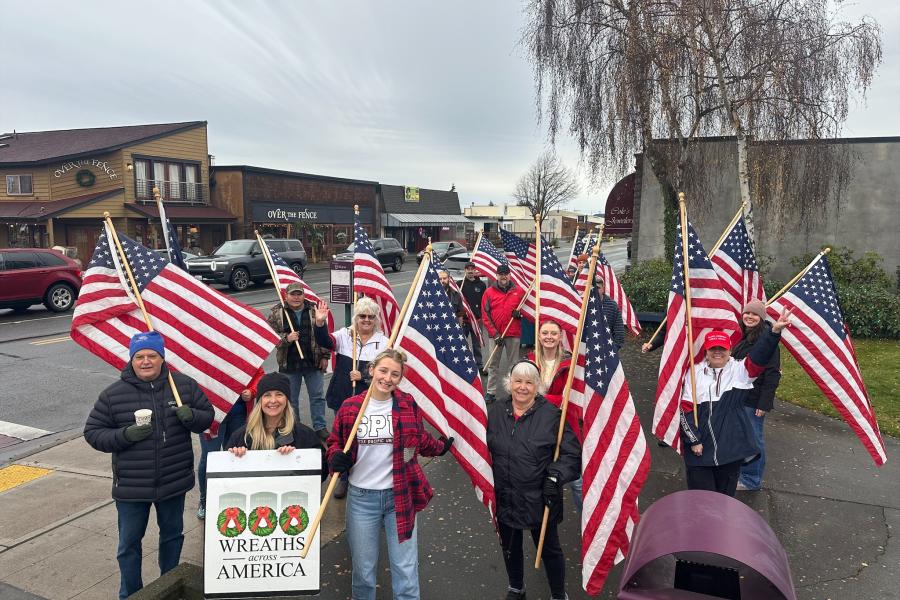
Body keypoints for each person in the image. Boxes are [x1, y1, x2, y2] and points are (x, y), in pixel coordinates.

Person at [84, 331, 214, 600]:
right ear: (131, 359)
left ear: (162, 358)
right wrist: (124, 435)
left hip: (173, 481)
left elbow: (207, 418)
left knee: (172, 537)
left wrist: (192, 418)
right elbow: (93, 433)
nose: (145, 361)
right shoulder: (113, 395)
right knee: (129, 544)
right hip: (132, 487)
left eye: (152, 356)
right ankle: (130, 593)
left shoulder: (183, 386)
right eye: (139, 356)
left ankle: (169, 582)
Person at [326, 349, 453, 600]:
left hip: (400, 497)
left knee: (405, 570)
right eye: (383, 371)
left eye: (395, 374)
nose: (388, 378)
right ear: (371, 370)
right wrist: (335, 457)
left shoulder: (406, 403)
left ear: (400, 378)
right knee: (363, 572)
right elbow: (335, 442)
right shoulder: (351, 406)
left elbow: (418, 439)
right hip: (362, 500)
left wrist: (440, 447)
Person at [488, 360, 580, 600]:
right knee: (509, 547)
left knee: (549, 549)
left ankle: (559, 594)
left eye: (529, 382)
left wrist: (555, 475)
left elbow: (572, 454)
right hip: (505, 494)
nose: (522, 387)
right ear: (509, 383)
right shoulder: (497, 411)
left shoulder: (552, 415)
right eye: (518, 381)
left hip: (540, 496)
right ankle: (516, 587)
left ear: (537, 386)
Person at [679, 308, 793, 497]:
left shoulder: (740, 371)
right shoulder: (694, 373)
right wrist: (694, 440)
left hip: (730, 450)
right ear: (706, 351)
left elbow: (760, 356)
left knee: (724, 500)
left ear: (729, 350)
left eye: (722, 349)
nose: (717, 352)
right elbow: (685, 410)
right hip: (699, 449)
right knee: (700, 500)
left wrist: (773, 333)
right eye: (713, 349)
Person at [314, 296, 390, 499]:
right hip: (343, 397)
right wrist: (320, 323)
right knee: (342, 438)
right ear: (356, 318)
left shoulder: (383, 343)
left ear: (376, 319)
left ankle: (364, 475)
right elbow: (325, 341)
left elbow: (386, 373)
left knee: (364, 439)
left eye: (370, 317)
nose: (366, 320)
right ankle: (344, 477)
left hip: (369, 400)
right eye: (362, 316)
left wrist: (364, 376)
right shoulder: (345, 335)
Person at [527, 319, 583, 512]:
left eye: (553, 333)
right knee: (545, 475)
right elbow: (524, 395)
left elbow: (569, 397)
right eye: (545, 333)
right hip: (538, 427)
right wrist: (550, 398)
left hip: (565, 425)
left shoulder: (570, 362)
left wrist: (540, 397)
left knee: (577, 481)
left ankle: (589, 524)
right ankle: (548, 521)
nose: (549, 337)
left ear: (560, 337)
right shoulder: (530, 361)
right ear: (539, 336)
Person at [225, 372, 327, 476]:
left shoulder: (305, 435)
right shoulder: (240, 437)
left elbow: (322, 471)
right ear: (260, 401)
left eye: (279, 394)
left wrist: (297, 459)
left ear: (287, 400)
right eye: (267, 395)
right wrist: (235, 458)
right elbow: (223, 475)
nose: (273, 400)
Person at [267, 282, 331, 441]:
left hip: (313, 361)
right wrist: (286, 339)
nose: (296, 297)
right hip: (289, 364)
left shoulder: (313, 310)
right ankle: (294, 427)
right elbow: (269, 337)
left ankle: (320, 426)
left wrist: (325, 356)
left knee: (317, 396)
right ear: (286, 296)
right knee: (290, 399)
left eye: (299, 294)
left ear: (303, 295)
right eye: (292, 294)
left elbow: (323, 334)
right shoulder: (277, 313)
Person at [195, 368, 263, 520]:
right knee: (209, 458)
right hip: (211, 415)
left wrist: (252, 391)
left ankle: (233, 497)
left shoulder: (243, 347)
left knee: (236, 456)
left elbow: (258, 373)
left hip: (238, 413)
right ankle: (205, 499)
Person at [732, 300, 781, 491]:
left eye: (754, 314)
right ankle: (742, 473)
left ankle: (752, 480)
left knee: (754, 440)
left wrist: (764, 403)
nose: (749, 317)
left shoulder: (767, 341)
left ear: (761, 318)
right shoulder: (744, 337)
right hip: (738, 397)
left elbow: (772, 374)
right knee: (741, 438)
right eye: (747, 313)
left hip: (754, 400)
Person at [482, 263, 525, 404]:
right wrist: (495, 334)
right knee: (493, 365)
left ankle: (513, 391)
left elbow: (528, 310)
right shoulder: (489, 292)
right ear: (496, 275)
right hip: (496, 336)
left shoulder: (519, 291)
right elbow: (485, 315)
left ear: (509, 275)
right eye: (501, 274)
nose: (503, 276)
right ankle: (491, 392)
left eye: (506, 273)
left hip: (513, 333)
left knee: (513, 364)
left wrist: (520, 314)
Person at [460, 262, 489, 372]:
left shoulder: (481, 285)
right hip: (464, 320)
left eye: (472, 269)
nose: (470, 271)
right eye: (468, 269)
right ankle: (463, 363)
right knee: (462, 343)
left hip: (477, 321)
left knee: (477, 344)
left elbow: (484, 303)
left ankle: (479, 364)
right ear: (465, 270)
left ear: (475, 270)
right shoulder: (460, 284)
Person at [595, 273, 625, 351]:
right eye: (592, 287)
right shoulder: (583, 304)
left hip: (608, 350)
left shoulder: (612, 306)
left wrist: (613, 350)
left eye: (597, 288)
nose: (594, 290)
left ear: (603, 289)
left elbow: (619, 332)